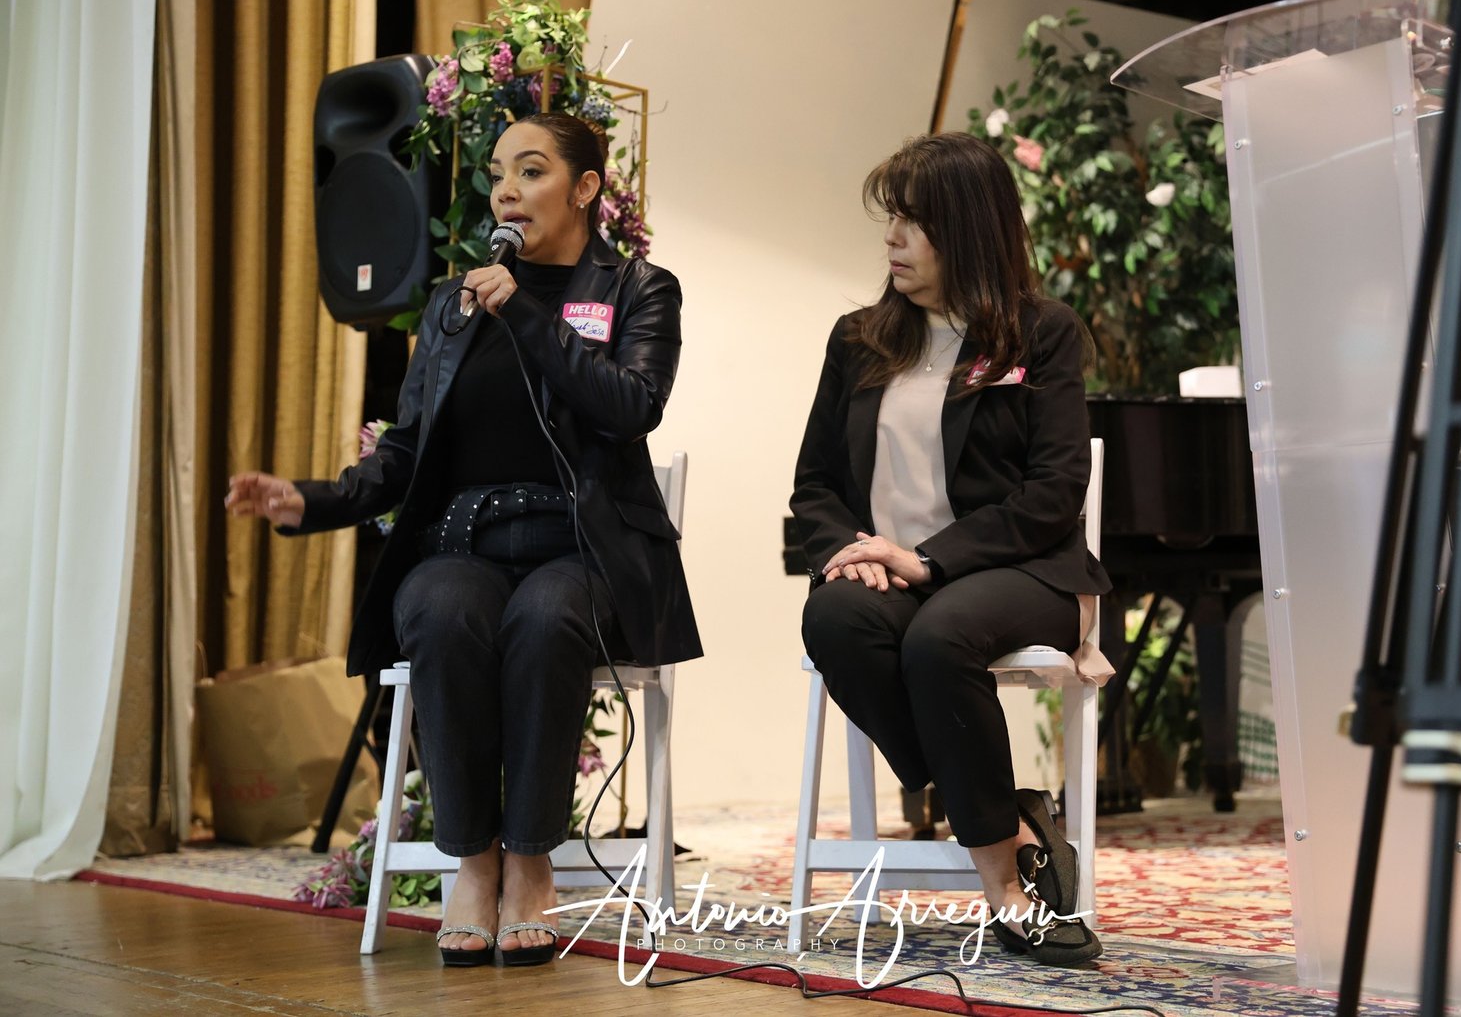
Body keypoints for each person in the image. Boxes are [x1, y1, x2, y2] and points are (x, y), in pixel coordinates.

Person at [226, 112, 700, 967]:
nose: (506, 190)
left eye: (531, 171)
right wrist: (313, 500)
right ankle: (474, 865)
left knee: (547, 619)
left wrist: (526, 312)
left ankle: (532, 863)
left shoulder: (638, 289)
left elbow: (631, 407)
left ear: (585, 188)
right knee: (441, 612)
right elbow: (406, 451)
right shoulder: (455, 303)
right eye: (498, 173)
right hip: (468, 541)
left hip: (580, 547)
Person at [790, 132, 1111, 967]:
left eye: (914, 222)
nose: (892, 239)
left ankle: (1006, 889)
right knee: (835, 619)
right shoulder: (858, 338)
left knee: (940, 638)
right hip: (890, 576)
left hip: (1021, 570)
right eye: (890, 220)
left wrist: (928, 560)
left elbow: (1054, 491)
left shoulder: (1041, 333)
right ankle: (1015, 818)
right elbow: (814, 485)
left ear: (968, 228)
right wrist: (852, 551)